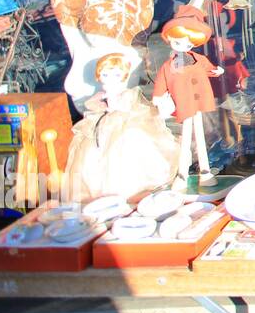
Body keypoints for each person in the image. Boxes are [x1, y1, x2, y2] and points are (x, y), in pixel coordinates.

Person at [60, 53, 179, 202]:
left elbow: (127, 105)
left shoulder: (128, 93)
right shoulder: (102, 94)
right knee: (93, 154)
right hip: (103, 127)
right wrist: (102, 104)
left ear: (124, 76)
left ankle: (130, 190)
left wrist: (113, 104)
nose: (110, 79)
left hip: (124, 125)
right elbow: (90, 104)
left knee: (125, 149)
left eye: (116, 75)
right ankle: (100, 191)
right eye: (105, 75)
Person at [152, 5, 225, 188]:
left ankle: (205, 170)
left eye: (189, 44)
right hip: (184, 103)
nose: (184, 47)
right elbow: (161, 83)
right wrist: (158, 98)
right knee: (186, 139)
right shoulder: (169, 65)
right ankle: (182, 173)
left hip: (199, 102)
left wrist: (217, 71)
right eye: (179, 42)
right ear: (169, 39)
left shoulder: (198, 59)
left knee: (200, 136)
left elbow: (209, 69)